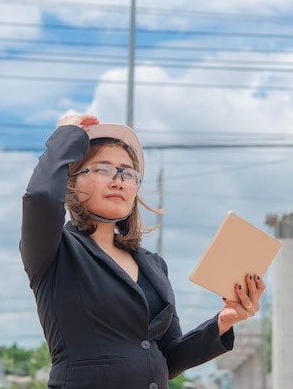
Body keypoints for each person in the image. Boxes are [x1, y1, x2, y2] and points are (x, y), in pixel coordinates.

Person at [20, 114, 265, 389]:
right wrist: (65, 134)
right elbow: (40, 197)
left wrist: (222, 322)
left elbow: (167, 357)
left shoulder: (154, 265)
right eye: (103, 169)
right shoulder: (54, 250)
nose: (118, 180)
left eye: (127, 173)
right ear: (71, 184)